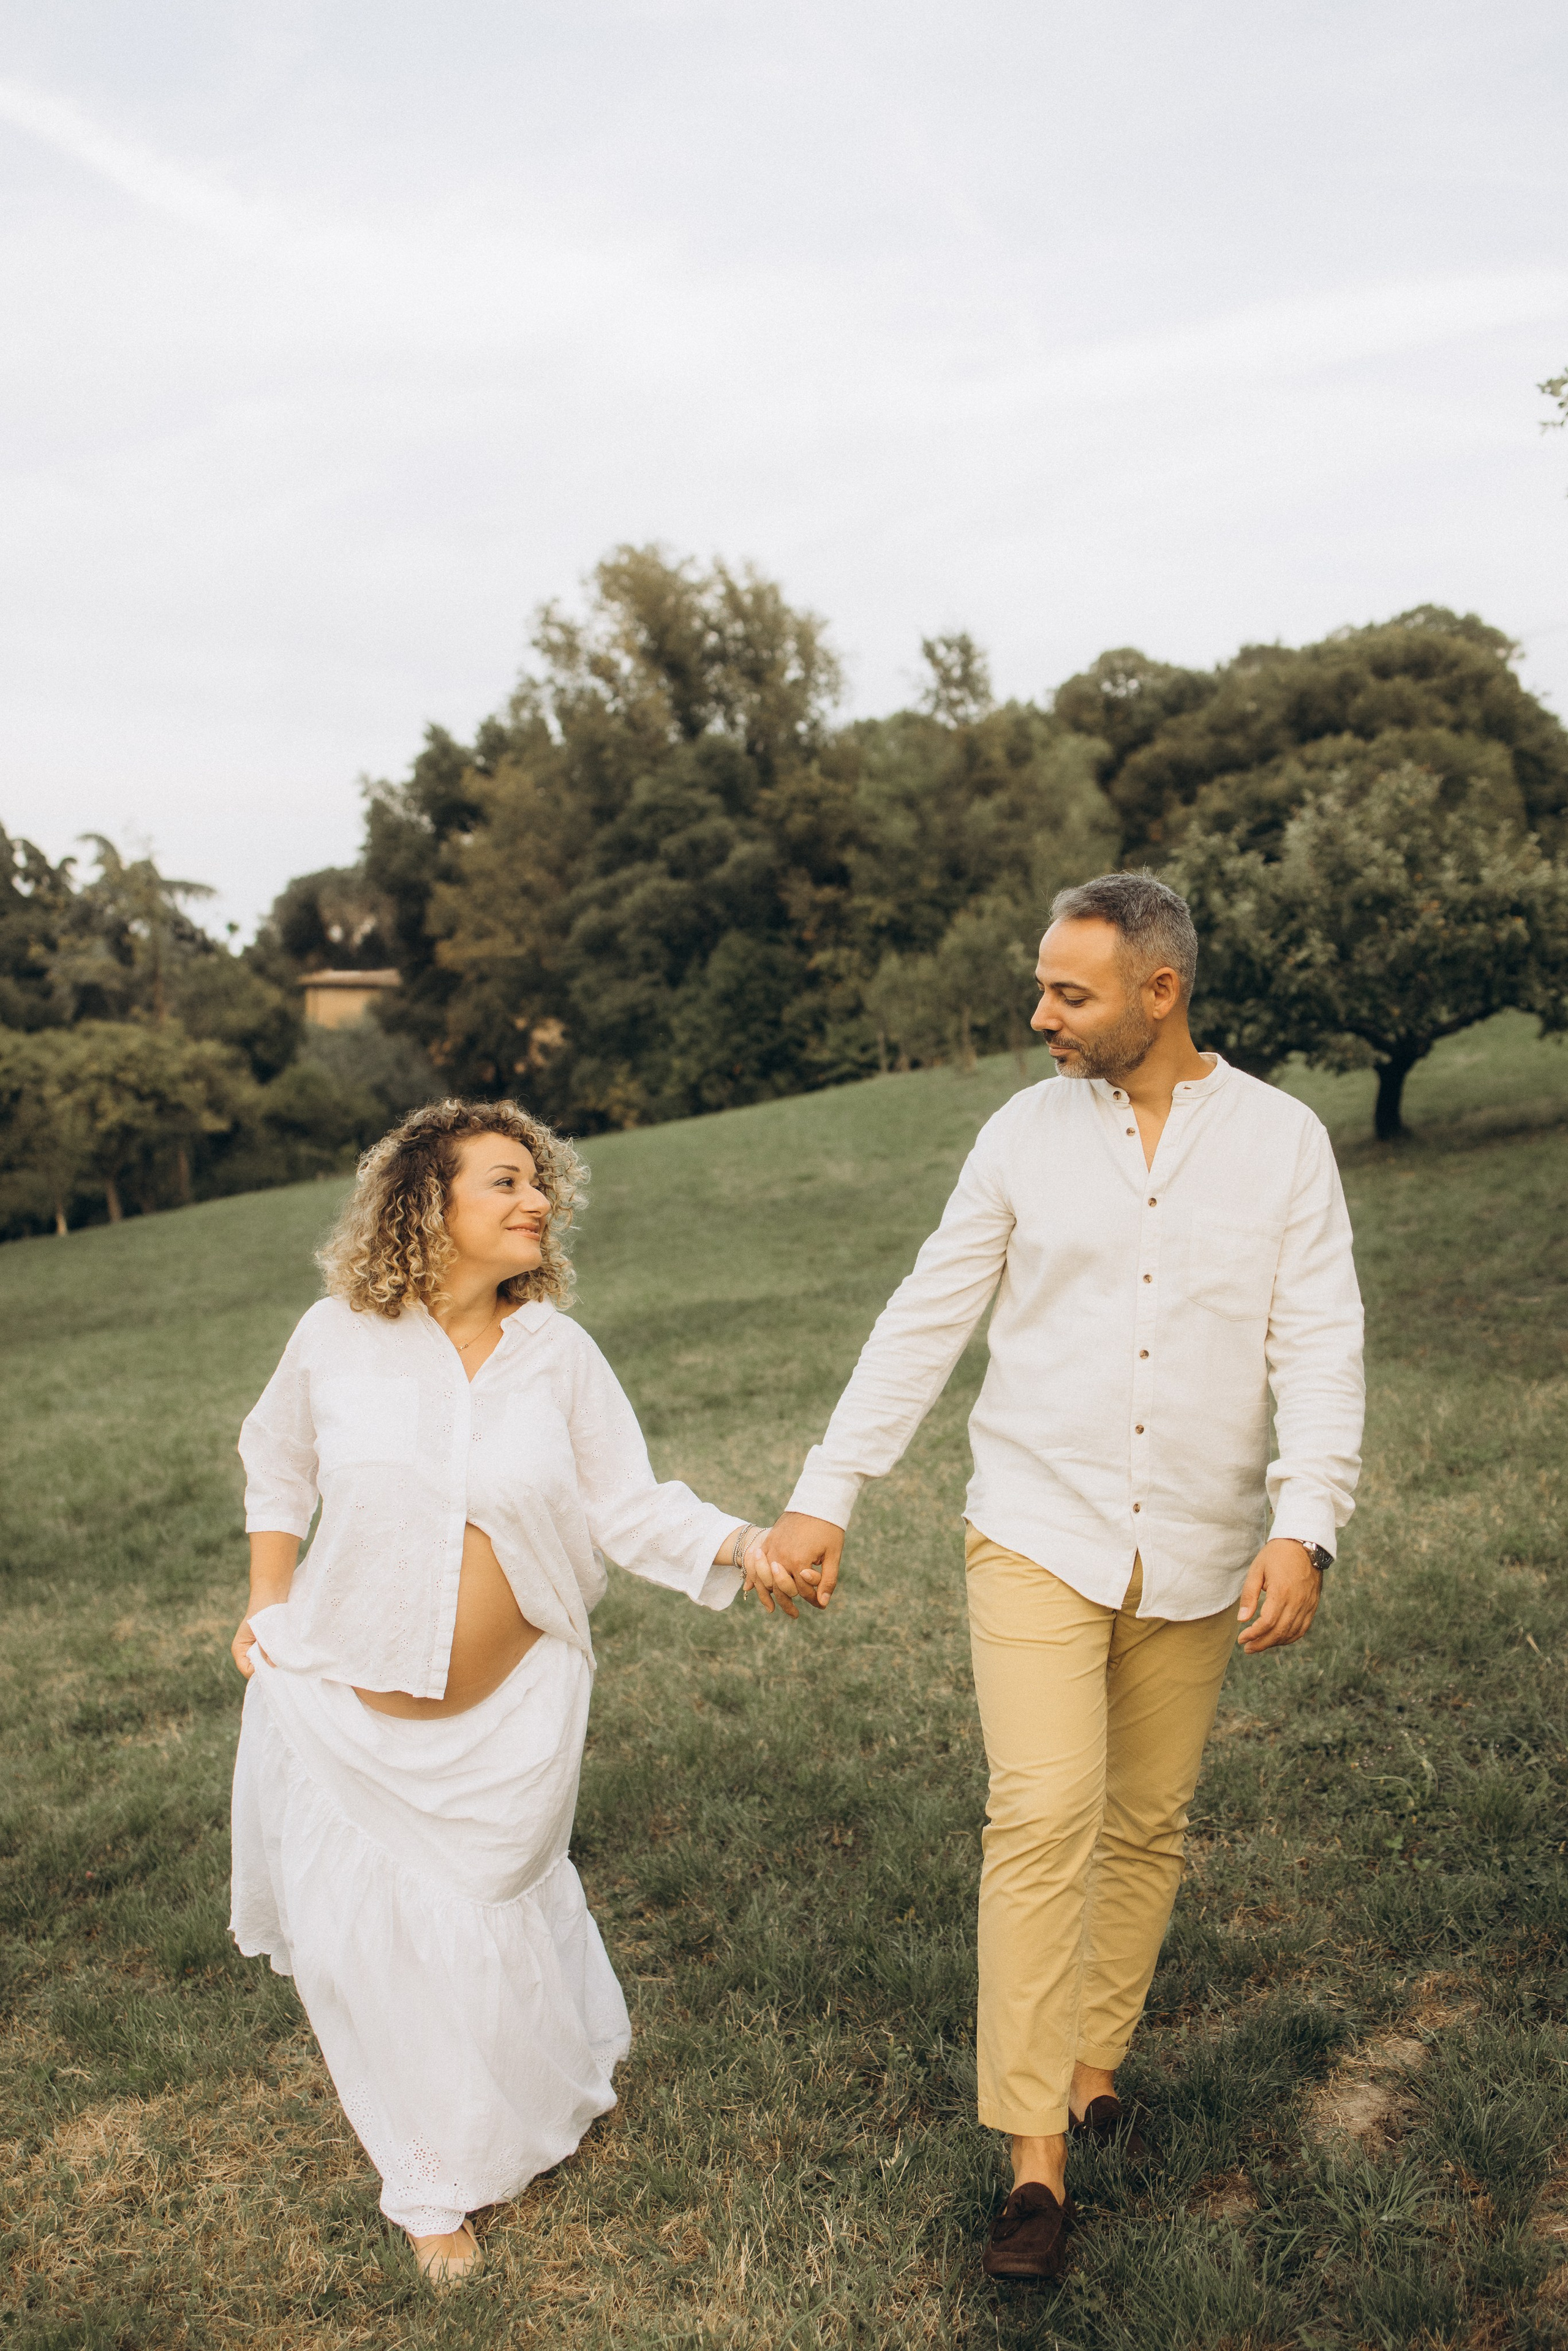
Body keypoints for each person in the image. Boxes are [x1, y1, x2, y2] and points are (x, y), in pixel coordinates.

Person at [751, 871, 1365, 2282]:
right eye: (1041, 985)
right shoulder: (1021, 1134)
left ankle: (1092, 2061)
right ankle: (1034, 2161)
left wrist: (1303, 1519)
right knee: (1041, 1813)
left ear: (1160, 990)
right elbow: (927, 1312)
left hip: (1203, 1543)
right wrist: (824, 1490)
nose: (1039, 1014)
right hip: (1035, 1520)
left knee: (1145, 1820)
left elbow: (1318, 1342)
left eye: (1066, 992)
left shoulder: (1280, 1140)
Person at [228, 1099, 772, 2285]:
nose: (536, 1200)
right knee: (351, 1951)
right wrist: (267, 1602)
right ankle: (428, 2185)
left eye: (539, 1184)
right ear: (427, 1204)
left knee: (491, 1920)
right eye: (505, 1182)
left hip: (514, 1720)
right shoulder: (337, 1337)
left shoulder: (557, 1353)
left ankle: (531, 2096)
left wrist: (743, 1544)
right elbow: (277, 1457)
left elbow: (626, 1504)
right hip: (344, 1712)